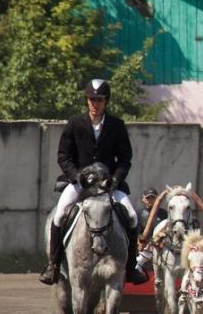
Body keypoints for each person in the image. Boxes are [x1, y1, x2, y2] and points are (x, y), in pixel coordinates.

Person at [39, 79, 147, 286]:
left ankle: (131, 267)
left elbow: (125, 159)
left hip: (108, 185)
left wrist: (115, 179)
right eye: (91, 99)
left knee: (132, 216)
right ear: (87, 100)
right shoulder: (75, 123)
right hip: (80, 183)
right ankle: (53, 265)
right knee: (60, 214)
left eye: (99, 99)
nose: (95, 103)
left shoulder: (117, 125)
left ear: (106, 102)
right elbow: (63, 156)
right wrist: (76, 176)